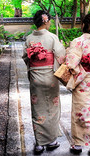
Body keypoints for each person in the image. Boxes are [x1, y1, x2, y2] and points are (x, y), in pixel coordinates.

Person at [23, 10, 66, 154]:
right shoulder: (53, 37)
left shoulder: (29, 39)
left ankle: (39, 143)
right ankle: (52, 141)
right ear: (46, 21)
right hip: (51, 77)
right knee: (52, 107)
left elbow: (25, 57)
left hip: (36, 77)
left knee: (37, 109)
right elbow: (61, 57)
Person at [65, 13, 90, 156]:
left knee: (80, 110)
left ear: (83, 25)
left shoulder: (78, 41)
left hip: (83, 80)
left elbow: (71, 63)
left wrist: (68, 53)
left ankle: (77, 144)